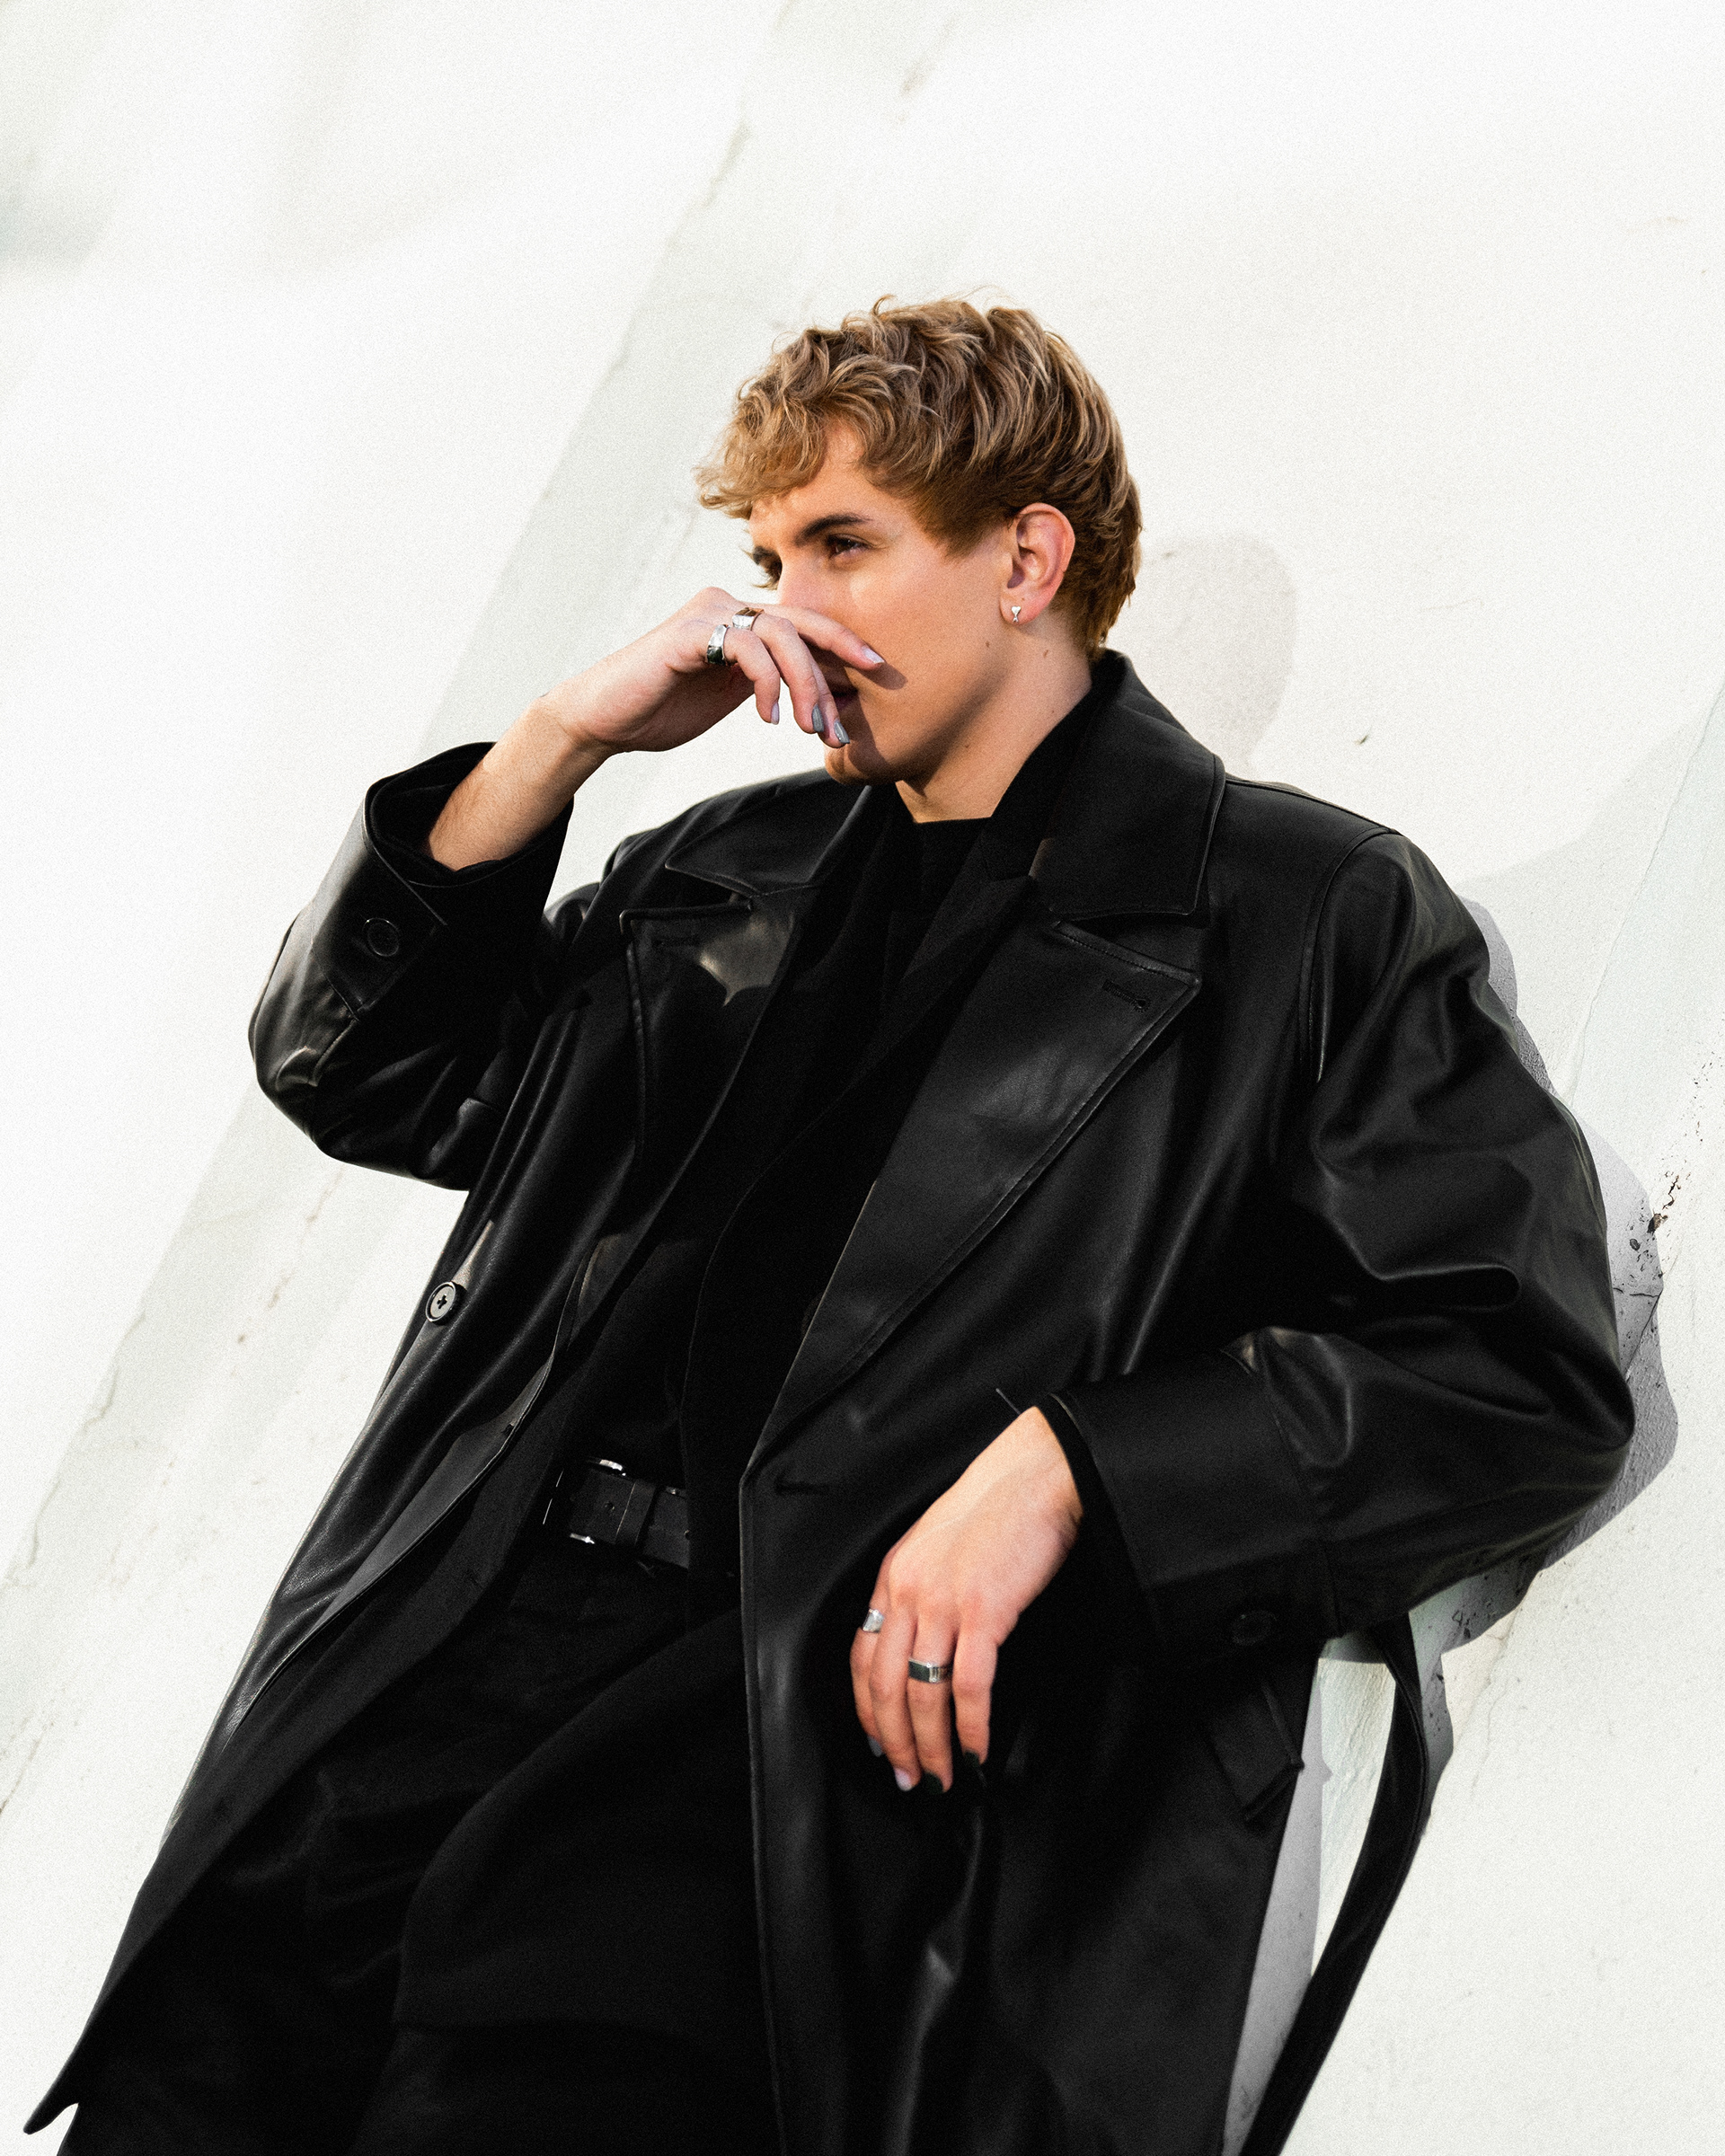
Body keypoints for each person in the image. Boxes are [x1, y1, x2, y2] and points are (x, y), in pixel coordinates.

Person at [31, 298, 1632, 2156]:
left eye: (843, 545)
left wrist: (1076, 1472)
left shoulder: (1299, 913)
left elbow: (1513, 1373)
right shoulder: (718, 877)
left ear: (1027, 559)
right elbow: (370, 1070)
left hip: (749, 1784)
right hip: (406, 1697)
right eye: (769, 556)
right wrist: (557, 744)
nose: (781, 612)